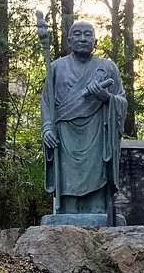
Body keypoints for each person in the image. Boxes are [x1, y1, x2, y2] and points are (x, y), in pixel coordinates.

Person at [41, 21, 127, 216]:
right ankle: (66, 211)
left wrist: (106, 98)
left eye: (88, 34)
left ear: (95, 41)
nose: (82, 38)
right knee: (68, 187)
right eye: (77, 34)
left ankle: (97, 210)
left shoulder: (107, 67)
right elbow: (46, 102)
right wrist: (47, 128)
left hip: (96, 132)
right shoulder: (55, 68)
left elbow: (121, 99)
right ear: (69, 41)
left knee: (97, 182)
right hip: (65, 135)